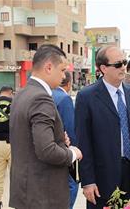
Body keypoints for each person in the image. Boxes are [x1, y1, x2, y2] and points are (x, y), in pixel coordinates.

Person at [75, 46, 130, 209]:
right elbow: (84, 141)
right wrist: (88, 181)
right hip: (102, 178)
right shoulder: (87, 96)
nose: (123, 67)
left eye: (124, 62)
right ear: (103, 68)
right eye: (118, 64)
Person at [9, 44, 82, 209]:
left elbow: (26, 138)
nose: (64, 76)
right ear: (49, 67)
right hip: (44, 195)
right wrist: (72, 153)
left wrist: (58, 139)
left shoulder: (21, 93)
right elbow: (46, 150)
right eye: (62, 70)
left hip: (26, 191)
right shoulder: (41, 98)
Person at [52, 71, 79, 209]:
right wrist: (74, 151)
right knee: (72, 185)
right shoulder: (64, 99)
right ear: (69, 84)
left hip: (48, 149)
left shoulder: (47, 94)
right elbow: (70, 127)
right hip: (64, 150)